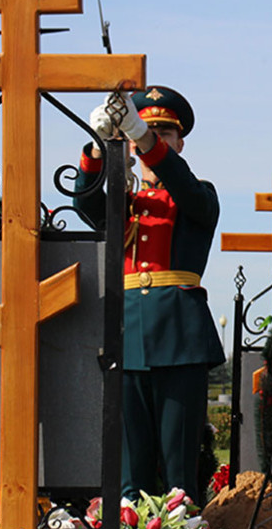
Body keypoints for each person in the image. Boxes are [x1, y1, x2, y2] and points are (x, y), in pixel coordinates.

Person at [74, 86, 224, 505]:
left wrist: (142, 136)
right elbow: (84, 202)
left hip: (179, 338)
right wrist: (97, 148)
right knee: (130, 468)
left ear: (179, 142)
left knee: (179, 465)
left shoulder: (200, 193)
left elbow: (186, 190)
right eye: (148, 131)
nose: (154, 139)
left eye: (164, 132)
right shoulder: (127, 202)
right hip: (127, 335)